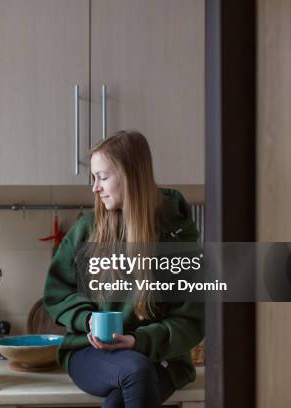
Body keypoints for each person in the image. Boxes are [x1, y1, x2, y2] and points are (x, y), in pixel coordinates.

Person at [43, 130, 204, 408]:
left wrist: (138, 341)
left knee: (131, 378)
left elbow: (191, 320)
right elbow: (57, 294)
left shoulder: (178, 236)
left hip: (159, 355)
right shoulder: (88, 229)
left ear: (131, 177)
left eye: (103, 177)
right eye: (93, 178)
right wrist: (87, 320)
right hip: (88, 352)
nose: (95, 188)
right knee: (135, 371)